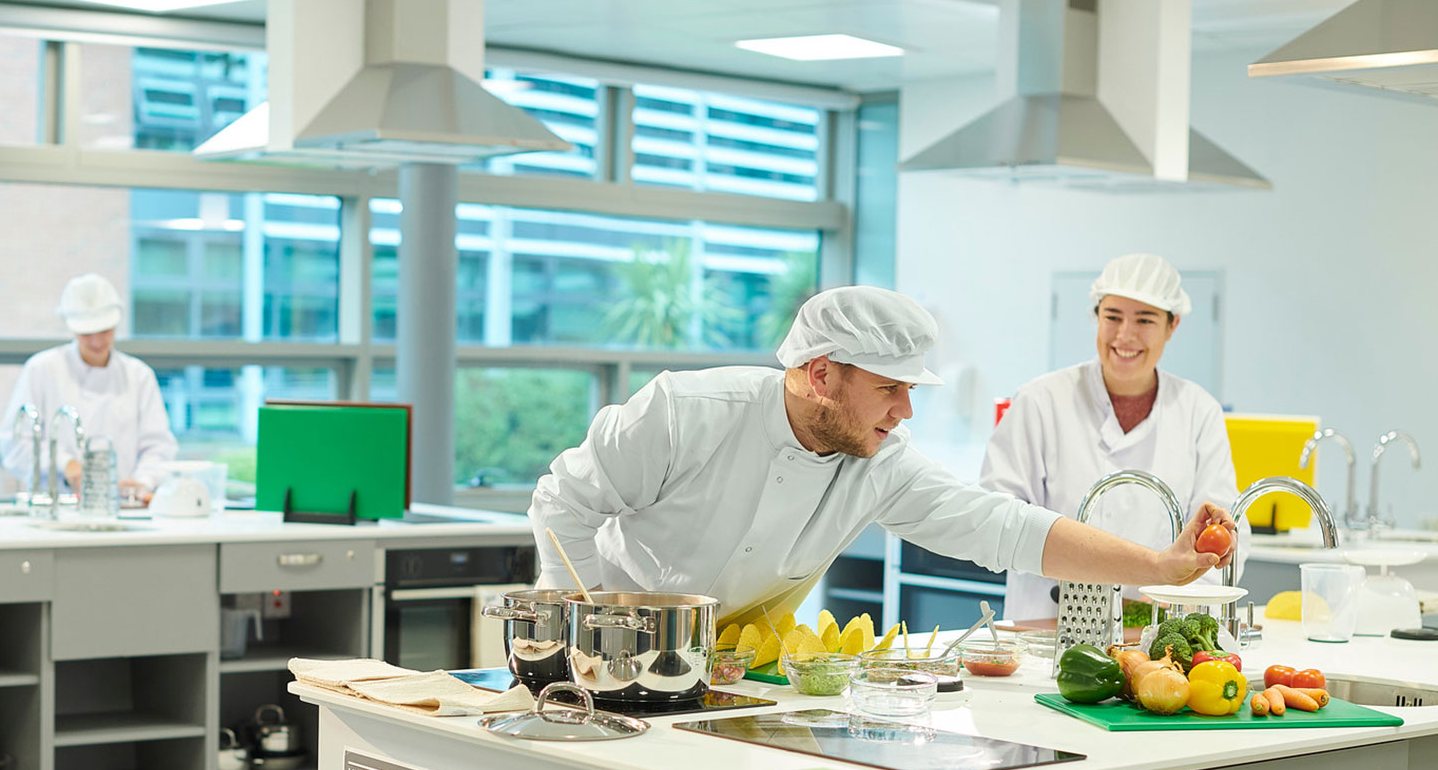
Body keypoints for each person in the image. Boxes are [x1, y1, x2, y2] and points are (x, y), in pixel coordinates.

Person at [529, 286, 1232, 631]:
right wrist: (587, 635)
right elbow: (564, 503)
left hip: (724, 671)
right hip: (605, 658)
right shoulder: (685, 413)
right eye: (889, 389)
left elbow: (1007, 527)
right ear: (821, 374)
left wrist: (1157, 568)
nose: (905, 411)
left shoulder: (879, 463)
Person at [980, 254, 1239, 621]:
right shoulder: (1040, 401)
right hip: (1045, 628)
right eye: (1112, 317)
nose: (1125, 335)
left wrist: (1184, 602)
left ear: (1172, 325)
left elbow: (1218, 537)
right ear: (1096, 318)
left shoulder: (1199, 411)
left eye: (1145, 320)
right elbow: (998, 521)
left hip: (1156, 638)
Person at [0, 274, 178, 504]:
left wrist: (143, 481)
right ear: (72, 329)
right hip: (60, 504)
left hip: (124, 505)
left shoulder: (138, 375)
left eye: (105, 331)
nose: (96, 342)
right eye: (86, 334)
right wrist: (66, 465)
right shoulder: (42, 369)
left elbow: (159, 445)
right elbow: (16, 444)